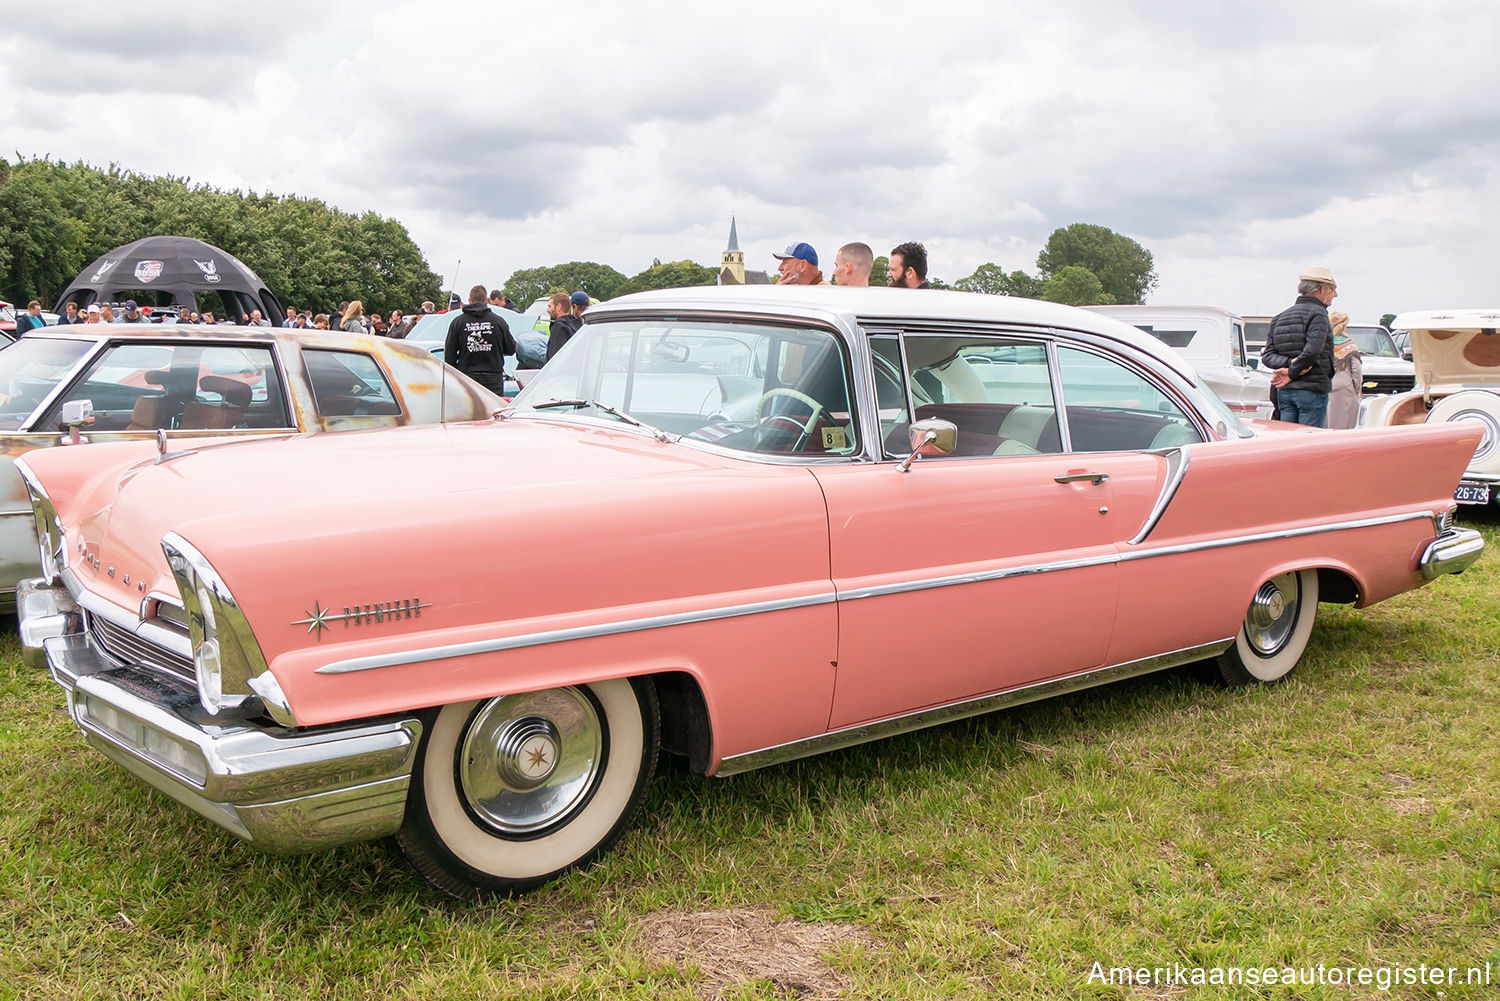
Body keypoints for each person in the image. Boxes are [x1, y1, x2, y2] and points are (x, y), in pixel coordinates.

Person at [1262, 266, 1337, 428]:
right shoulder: (1318, 314)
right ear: (1322, 289)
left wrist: (1288, 367)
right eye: (1332, 290)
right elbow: (1313, 351)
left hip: (1285, 391)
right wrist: (1292, 370)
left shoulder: (1280, 317)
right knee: (1309, 443)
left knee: (1288, 441)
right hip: (1312, 389)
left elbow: (1267, 356)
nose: (1335, 295)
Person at [445, 284, 515, 394]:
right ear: (486, 300)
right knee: (494, 410)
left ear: (469, 300)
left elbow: (449, 355)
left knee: (469, 410)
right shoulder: (498, 322)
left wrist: (457, 375)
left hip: (467, 377)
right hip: (493, 378)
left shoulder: (458, 323)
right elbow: (511, 349)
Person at [1326, 309, 1363, 430]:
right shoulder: (1349, 344)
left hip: (1326, 386)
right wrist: (1357, 389)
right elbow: (1356, 369)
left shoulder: (1324, 343)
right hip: (1345, 388)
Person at [546, 291, 584, 362]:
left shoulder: (559, 328)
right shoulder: (578, 325)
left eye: (550, 306)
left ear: (558, 307)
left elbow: (554, 359)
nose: (548, 310)